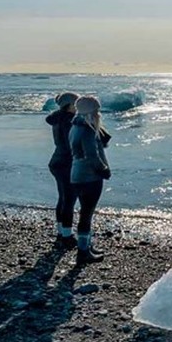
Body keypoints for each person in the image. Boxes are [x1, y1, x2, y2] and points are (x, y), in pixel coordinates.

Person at [69, 95, 111, 264]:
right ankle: (83, 251)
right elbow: (91, 156)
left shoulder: (75, 126)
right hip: (89, 177)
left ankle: (86, 246)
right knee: (87, 214)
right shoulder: (87, 130)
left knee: (85, 212)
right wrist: (104, 170)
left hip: (76, 173)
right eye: (96, 110)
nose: (98, 113)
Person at [45, 92, 81, 249]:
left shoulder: (57, 119)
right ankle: (67, 236)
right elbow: (71, 145)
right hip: (67, 163)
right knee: (69, 200)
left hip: (56, 161)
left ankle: (61, 232)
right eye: (76, 104)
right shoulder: (70, 121)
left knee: (63, 198)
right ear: (70, 105)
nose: (78, 107)